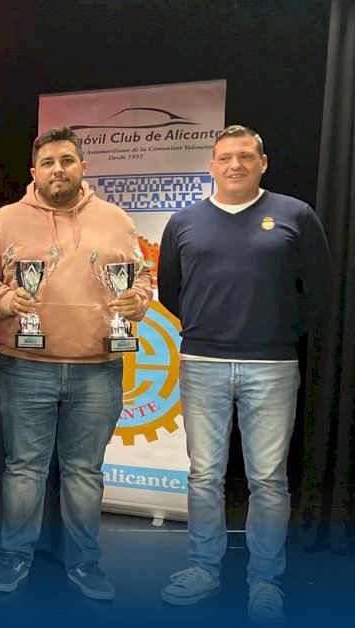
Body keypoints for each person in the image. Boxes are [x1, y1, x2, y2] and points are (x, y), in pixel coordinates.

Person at [158, 125, 331, 623]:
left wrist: (278, 331)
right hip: (202, 363)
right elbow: (171, 290)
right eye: (225, 157)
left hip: (272, 365)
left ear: (263, 162)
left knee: (269, 480)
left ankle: (265, 582)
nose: (235, 165)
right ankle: (203, 570)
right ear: (211, 166)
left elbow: (320, 289)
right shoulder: (184, 222)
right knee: (204, 476)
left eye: (245, 156)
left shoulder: (295, 215)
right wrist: (207, 328)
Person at [0, 127, 152, 600]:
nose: (58, 169)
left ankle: (85, 562)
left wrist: (137, 300)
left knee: (84, 472)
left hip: (99, 367)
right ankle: (15, 556)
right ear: (33, 171)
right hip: (24, 365)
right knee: (24, 469)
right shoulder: (4, 221)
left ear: (83, 167)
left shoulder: (116, 219)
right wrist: (6, 299)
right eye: (49, 162)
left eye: (67, 160)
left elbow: (141, 277)